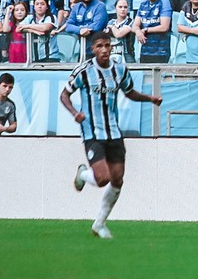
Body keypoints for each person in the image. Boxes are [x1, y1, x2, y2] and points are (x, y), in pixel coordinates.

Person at [63, 32, 163, 240]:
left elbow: (129, 92)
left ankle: (99, 224)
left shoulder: (119, 70)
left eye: (108, 45)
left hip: (114, 132)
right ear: (92, 49)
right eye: (100, 46)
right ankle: (83, 174)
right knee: (102, 178)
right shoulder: (84, 71)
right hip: (92, 132)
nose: (105, 50)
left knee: (117, 179)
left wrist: (150, 98)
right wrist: (74, 113)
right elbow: (65, 95)